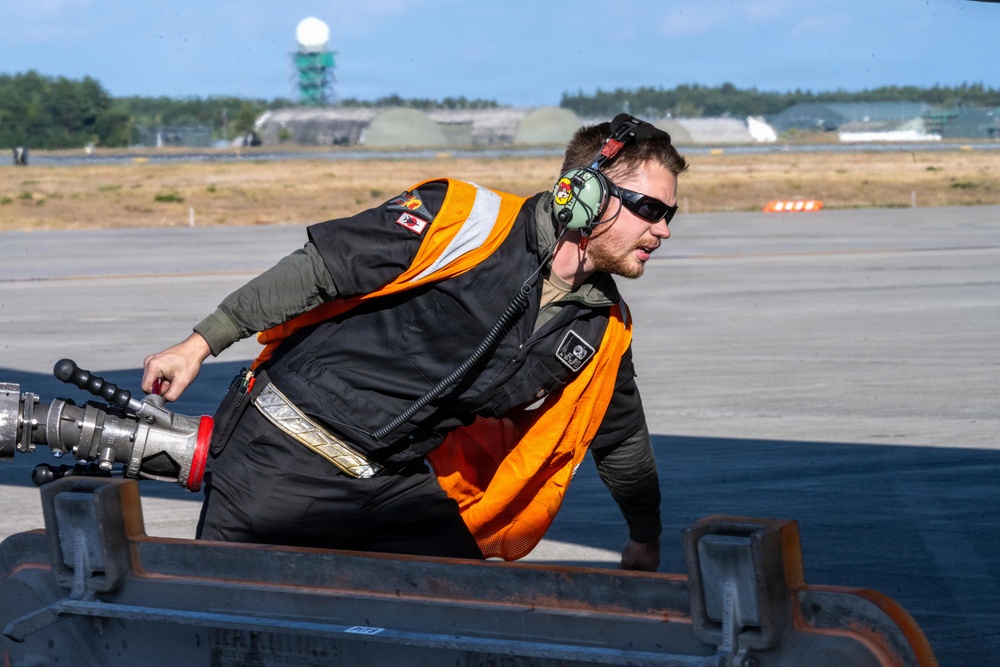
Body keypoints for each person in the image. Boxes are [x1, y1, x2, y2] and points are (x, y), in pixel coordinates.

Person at [142, 113, 688, 571]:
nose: (662, 230)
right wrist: (198, 344)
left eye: (669, 215)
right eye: (650, 209)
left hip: (392, 481)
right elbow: (320, 271)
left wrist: (645, 535)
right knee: (234, 620)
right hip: (279, 452)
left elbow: (620, 436)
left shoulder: (601, 327)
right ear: (585, 195)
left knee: (462, 613)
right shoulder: (467, 221)